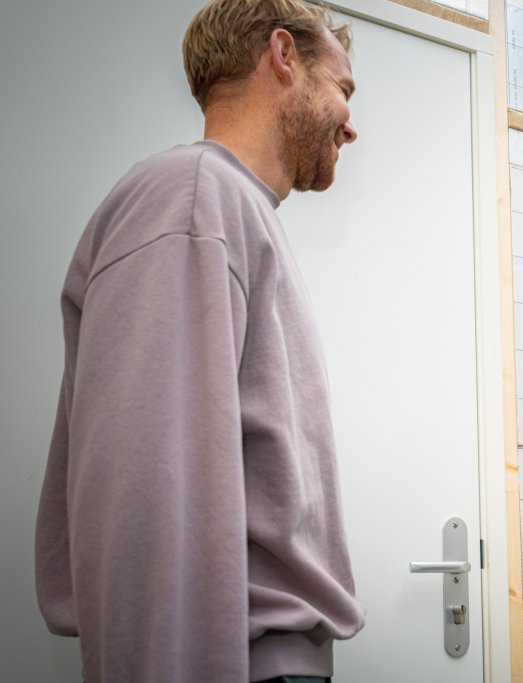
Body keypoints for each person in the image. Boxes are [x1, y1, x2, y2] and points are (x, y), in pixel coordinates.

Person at [34, 1, 365, 681]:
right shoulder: (191, 199)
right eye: (343, 88)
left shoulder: (228, 208)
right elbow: (147, 494)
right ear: (283, 56)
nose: (351, 124)